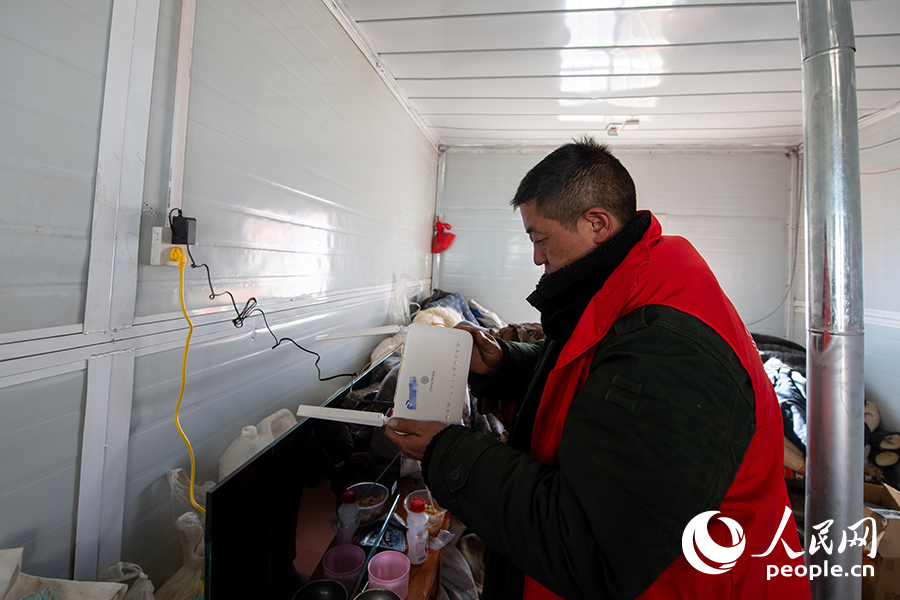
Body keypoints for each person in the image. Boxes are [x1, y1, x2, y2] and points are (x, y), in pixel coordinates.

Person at [385, 138, 809, 600]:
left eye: (540, 239)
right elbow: (595, 381)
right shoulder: (631, 286)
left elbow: (591, 546)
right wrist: (507, 364)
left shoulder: (672, 349)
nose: (537, 257)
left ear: (597, 223)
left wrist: (447, 451)